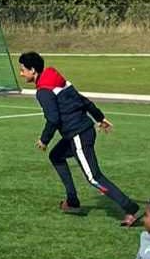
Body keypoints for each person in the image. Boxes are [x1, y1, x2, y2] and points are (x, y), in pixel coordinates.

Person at [17, 51, 140, 226]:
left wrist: (44, 140)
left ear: (33, 70)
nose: (21, 73)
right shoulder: (57, 79)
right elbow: (83, 100)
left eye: (23, 70)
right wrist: (99, 117)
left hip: (78, 135)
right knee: (56, 156)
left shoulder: (44, 91)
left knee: (93, 177)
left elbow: (53, 119)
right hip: (82, 130)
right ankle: (72, 201)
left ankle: (131, 209)